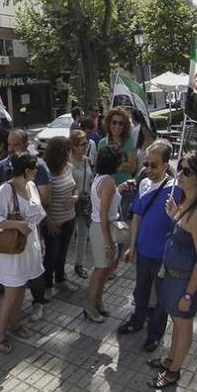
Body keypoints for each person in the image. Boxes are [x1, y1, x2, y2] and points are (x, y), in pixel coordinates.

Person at [148, 152, 197, 389]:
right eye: (180, 168)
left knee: (183, 325)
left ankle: (174, 371)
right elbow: (182, 233)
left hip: (186, 283)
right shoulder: (187, 203)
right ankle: (169, 360)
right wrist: (173, 213)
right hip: (174, 279)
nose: (180, 175)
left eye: (187, 171)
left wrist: (188, 294)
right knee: (176, 323)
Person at [118, 140, 180, 352]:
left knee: (162, 298)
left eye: (154, 165)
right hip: (143, 252)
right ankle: (136, 321)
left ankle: (155, 334)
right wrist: (132, 246)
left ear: (166, 164)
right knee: (140, 290)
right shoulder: (144, 183)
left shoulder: (176, 190)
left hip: (164, 256)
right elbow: (137, 216)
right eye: (147, 164)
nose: (149, 169)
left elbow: (182, 225)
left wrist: (176, 214)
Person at [0, 152, 47, 353]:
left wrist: (39, 239)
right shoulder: (5, 190)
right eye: (35, 168)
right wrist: (18, 225)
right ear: (28, 171)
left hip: (29, 247)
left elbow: (37, 216)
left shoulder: (31, 186)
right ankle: (0, 334)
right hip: (11, 251)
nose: (37, 172)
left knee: (22, 289)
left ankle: (14, 324)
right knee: (11, 293)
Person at [85, 145, 123, 323]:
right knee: (100, 271)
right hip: (103, 229)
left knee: (104, 270)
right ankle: (91, 307)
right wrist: (109, 243)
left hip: (99, 227)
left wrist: (120, 189)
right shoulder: (108, 182)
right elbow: (104, 213)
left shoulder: (101, 178)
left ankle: (98, 303)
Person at [41, 137, 79, 295]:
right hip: (53, 222)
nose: (71, 152)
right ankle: (47, 285)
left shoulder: (68, 167)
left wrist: (75, 197)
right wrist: (47, 221)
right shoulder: (45, 171)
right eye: (68, 150)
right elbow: (40, 201)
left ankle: (61, 279)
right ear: (60, 152)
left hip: (69, 219)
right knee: (51, 255)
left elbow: (74, 187)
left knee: (63, 253)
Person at [70, 130, 95, 279]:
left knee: (83, 234)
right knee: (69, 236)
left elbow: (90, 179)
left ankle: (80, 264)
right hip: (72, 203)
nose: (86, 146)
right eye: (82, 144)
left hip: (85, 201)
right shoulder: (67, 163)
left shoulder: (86, 160)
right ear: (73, 146)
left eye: (86, 143)